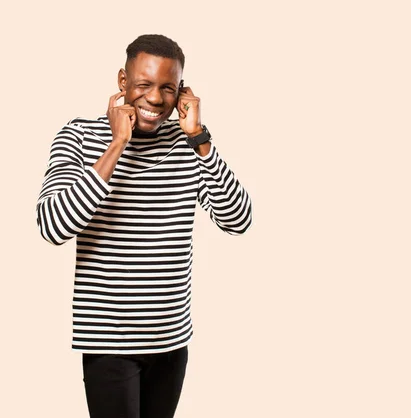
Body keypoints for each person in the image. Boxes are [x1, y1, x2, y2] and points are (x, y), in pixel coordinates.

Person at [36, 34, 252, 418]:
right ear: (123, 82)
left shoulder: (189, 142)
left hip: (171, 341)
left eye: (168, 88)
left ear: (182, 91)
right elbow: (53, 225)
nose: (155, 99)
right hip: (109, 342)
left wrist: (200, 141)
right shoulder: (79, 135)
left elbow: (237, 219)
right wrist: (116, 144)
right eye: (143, 85)